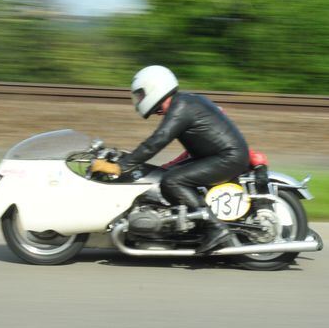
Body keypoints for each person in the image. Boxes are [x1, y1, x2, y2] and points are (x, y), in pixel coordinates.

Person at [106, 65, 250, 253]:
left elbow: (157, 141)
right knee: (166, 175)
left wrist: (122, 166)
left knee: (172, 181)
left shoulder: (181, 107)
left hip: (227, 158)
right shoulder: (185, 101)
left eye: (141, 95)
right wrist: (128, 158)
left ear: (155, 87)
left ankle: (215, 227)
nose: (139, 99)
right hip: (221, 156)